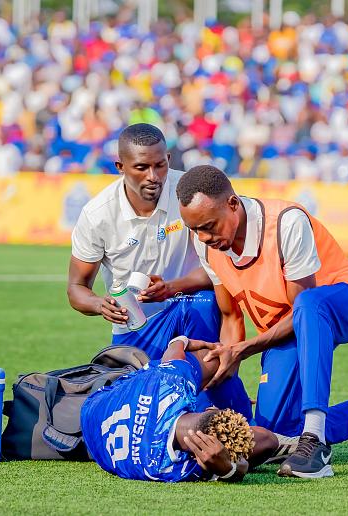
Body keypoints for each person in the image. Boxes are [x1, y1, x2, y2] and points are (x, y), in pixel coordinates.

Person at [175, 165, 348, 479]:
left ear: (232, 204)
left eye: (208, 226)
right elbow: (230, 315)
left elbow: (303, 311)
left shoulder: (286, 223)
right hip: (284, 332)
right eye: (195, 230)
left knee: (309, 305)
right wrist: (226, 364)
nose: (204, 237)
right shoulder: (207, 246)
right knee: (274, 436)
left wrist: (244, 349)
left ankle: (315, 441)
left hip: (345, 300)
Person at [68, 124, 252, 419]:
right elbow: (76, 288)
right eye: (141, 168)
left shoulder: (192, 196)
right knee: (136, 414)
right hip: (136, 328)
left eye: (160, 165)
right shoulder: (97, 214)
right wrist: (100, 305)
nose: (153, 176)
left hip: (189, 307)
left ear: (168, 158)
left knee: (204, 303)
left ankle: (215, 404)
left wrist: (172, 288)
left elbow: (222, 270)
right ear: (120, 167)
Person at [81, 336, 298, 482]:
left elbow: (174, 349)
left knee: (212, 358)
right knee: (266, 440)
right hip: (95, 421)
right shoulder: (165, 466)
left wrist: (183, 340)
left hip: (95, 405)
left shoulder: (170, 383)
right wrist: (228, 470)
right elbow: (267, 441)